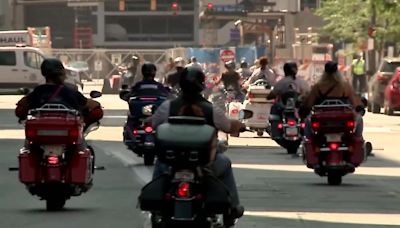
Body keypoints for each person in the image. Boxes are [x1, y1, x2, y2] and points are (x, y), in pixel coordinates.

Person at [151, 67, 246, 224]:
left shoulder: (168, 107)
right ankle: (233, 208)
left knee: (159, 164)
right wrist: (239, 125)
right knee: (226, 163)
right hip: (205, 164)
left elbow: (154, 124)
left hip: (172, 162)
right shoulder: (211, 109)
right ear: (202, 85)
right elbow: (228, 127)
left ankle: (156, 208)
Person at [15, 58, 102, 148]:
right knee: (81, 146)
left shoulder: (38, 91)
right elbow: (93, 105)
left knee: (28, 145)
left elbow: (21, 106)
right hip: (69, 137)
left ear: (44, 73)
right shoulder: (70, 92)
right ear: (62, 73)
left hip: (39, 136)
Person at [301, 61, 364, 137]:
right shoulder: (345, 86)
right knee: (359, 119)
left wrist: (304, 110)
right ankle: (358, 140)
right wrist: (359, 107)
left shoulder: (318, 87)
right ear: (337, 72)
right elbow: (355, 103)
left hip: (322, 120)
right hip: (343, 119)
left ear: (325, 73)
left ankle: (309, 143)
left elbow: (308, 104)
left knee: (307, 121)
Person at [267, 62, 311, 138]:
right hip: (297, 110)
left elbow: (271, 95)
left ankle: (275, 132)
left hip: (284, 109)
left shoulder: (281, 82)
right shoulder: (302, 82)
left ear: (285, 71)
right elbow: (308, 94)